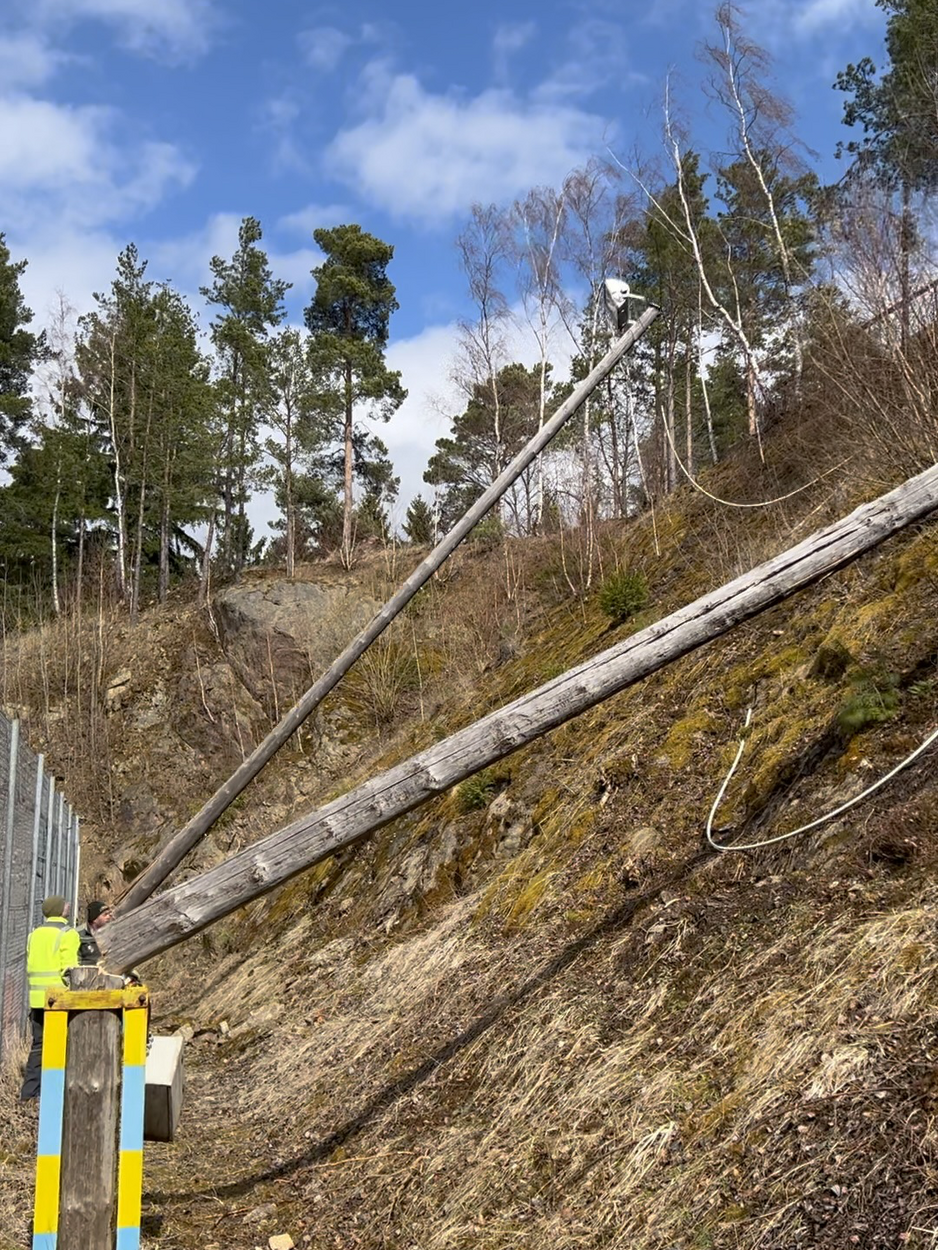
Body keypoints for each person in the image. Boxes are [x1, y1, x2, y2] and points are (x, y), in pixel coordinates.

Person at [20, 896, 80, 1101]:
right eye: (65, 905)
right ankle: (55, 1093)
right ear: (59, 910)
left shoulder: (33, 935)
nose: (68, 906)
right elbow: (71, 969)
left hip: (36, 999)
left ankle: (29, 1093)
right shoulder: (68, 934)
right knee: (61, 1045)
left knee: (38, 1046)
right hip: (59, 999)